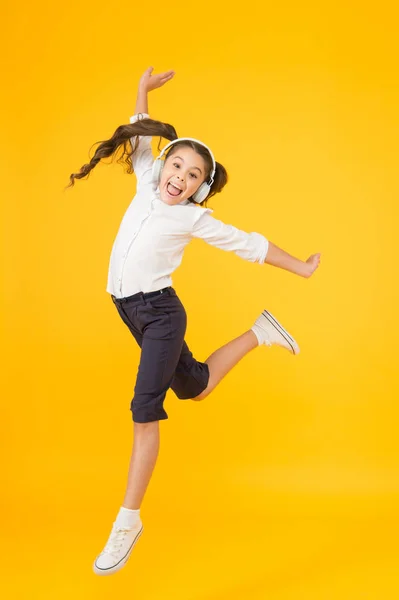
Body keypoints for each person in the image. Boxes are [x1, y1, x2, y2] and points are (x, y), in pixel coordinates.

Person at [66, 66, 321, 576]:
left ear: (201, 189)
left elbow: (252, 245)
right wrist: (142, 90)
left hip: (160, 314)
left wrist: (301, 267)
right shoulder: (144, 179)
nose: (179, 179)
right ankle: (260, 332)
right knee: (198, 387)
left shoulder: (193, 218)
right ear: (163, 164)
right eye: (176, 166)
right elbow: (139, 129)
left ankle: (127, 521)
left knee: (145, 412)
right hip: (131, 311)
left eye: (193, 176)